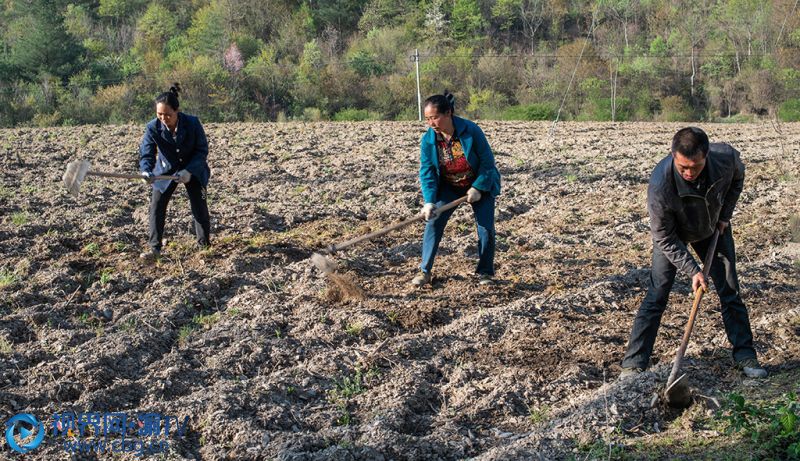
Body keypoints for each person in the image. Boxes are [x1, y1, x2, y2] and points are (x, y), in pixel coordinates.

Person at [620, 127, 766, 379]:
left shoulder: (726, 159)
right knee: (657, 294)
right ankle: (633, 364)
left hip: (711, 228)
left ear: (706, 156)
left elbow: (737, 180)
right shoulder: (660, 185)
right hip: (673, 235)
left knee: (730, 290)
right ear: (673, 156)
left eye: (695, 167)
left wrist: (725, 215)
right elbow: (663, 237)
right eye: (682, 167)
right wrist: (693, 270)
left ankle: (745, 356)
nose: (688, 173)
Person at [411, 90, 501, 287]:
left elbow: (488, 163)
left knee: (485, 229)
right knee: (433, 223)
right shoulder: (428, 140)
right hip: (449, 187)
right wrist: (429, 201)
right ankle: (425, 271)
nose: (431, 123)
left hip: (479, 185)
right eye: (427, 119)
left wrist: (478, 187)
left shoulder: (471, 131)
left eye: (435, 118)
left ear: (448, 113)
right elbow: (427, 172)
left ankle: (485, 272)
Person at [138, 84, 211, 261]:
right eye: (159, 114)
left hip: (192, 169)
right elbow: (147, 152)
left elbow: (201, 151)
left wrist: (189, 170)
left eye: (168, 115)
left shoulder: (192, 123)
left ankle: (204, 246)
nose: (163, 118)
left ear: (177, 111)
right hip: (165, 171)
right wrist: (146, 171)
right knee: (157, 207)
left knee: (199, 207)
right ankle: (155, 249)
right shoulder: (152, 127)